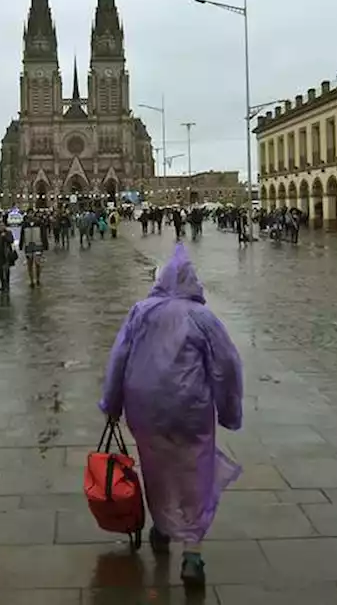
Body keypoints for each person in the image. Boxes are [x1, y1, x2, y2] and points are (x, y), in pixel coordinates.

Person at [99, 244, 244, 588]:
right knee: (195, 472)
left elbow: (118, 359)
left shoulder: (140, 311)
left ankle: (162, 527)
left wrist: (111, 404)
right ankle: (192, 553)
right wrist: (228, 410)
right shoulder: (202, 317)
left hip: (144, 409)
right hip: (190, 409)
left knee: (156, 467)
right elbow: (227, 366)